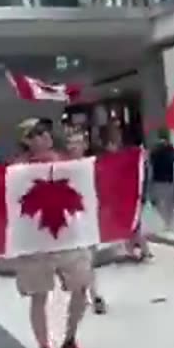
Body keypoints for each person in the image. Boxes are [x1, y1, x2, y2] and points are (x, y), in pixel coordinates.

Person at [13, 118, 95, 348]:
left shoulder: (65, 162)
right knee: (40, 295)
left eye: (46, 131)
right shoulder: (16, 170)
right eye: (36, 133)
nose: (44, 136)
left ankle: (69, 339)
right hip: (35, 243)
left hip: (68, 237)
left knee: (81, 288)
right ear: (26, 140)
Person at [65, 129, 109, 314]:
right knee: (80, 261)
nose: (74, 146)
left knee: (88, 259)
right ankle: (87, 293)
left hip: (89, 219)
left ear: (85, 145)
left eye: (78, 142)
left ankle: (93, 294)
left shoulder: (94, 165)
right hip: (71, 220)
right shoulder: (64, 168)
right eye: (71, 143)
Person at [147, 130, 174, 231]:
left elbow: (150, 169)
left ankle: (163, 228)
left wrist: (149, 186)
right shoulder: (172, 150)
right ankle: (169, 227)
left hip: (157, 183)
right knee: (169, 209)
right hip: (170, 183)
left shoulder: (154, 150)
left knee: (160, 208)